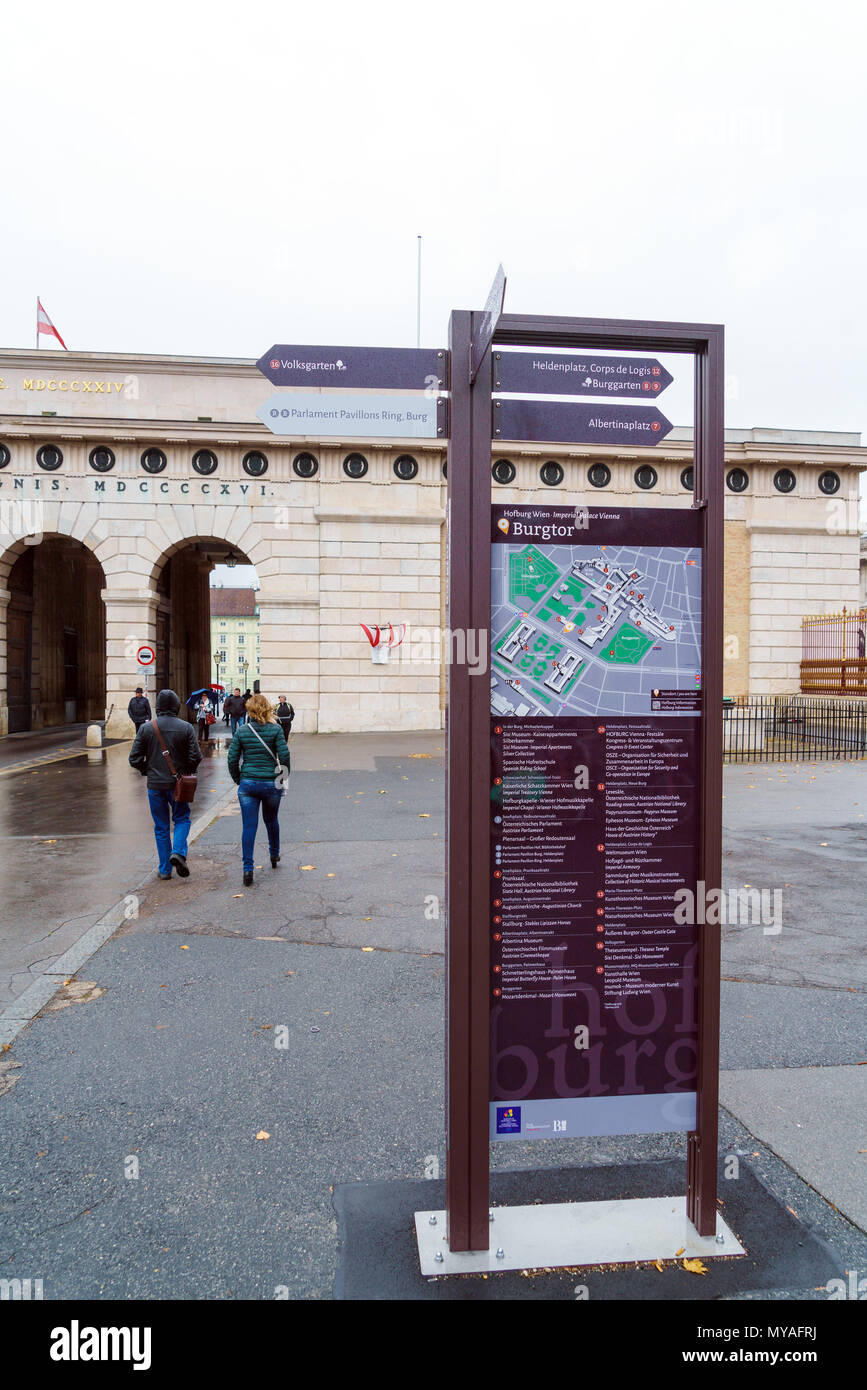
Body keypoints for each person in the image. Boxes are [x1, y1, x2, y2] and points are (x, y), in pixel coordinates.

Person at [129, 688, 202, 879]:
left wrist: (148, 771)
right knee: (182, 819)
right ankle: (178, 852)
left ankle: (164, 870)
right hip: (179, 784)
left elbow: (134, 759)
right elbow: (196, 757)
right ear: (176, 706)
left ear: (158, 707)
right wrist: (185, 772)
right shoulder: (185, 727)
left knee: (161, 826)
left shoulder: (146, 728)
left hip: (155, 786)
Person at [227, 693, 290, 886]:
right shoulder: (276, 730)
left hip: (248, 784)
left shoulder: (242, 731)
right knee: (271, 820)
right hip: (271, 783)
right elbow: (285, 756)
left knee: (249, 826)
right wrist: (283, 778)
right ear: (268, 709)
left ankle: (248, 869)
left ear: (249, 709)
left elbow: (232, 759)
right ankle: (274, 854)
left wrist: (239, 779)